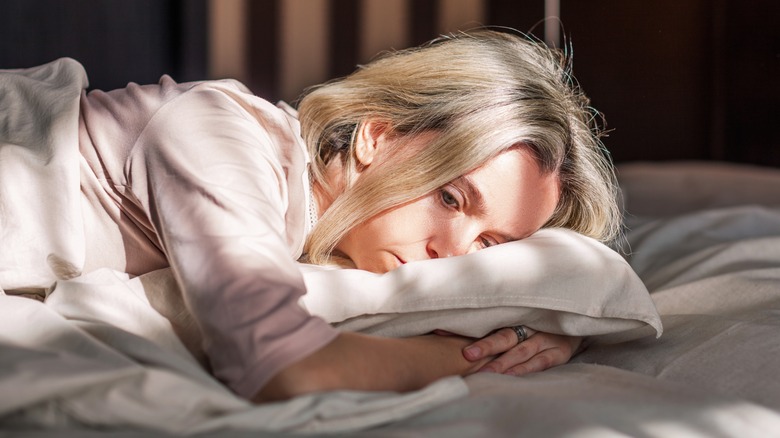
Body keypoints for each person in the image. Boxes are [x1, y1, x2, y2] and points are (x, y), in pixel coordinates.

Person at [0, 29, 620, 402]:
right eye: (450, 198)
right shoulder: (218, 136)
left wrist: (544, 323)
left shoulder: (312, 233)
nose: (452, 255)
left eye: (490, 245)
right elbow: (283, 370)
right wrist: (489, 353)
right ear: (376, 136)